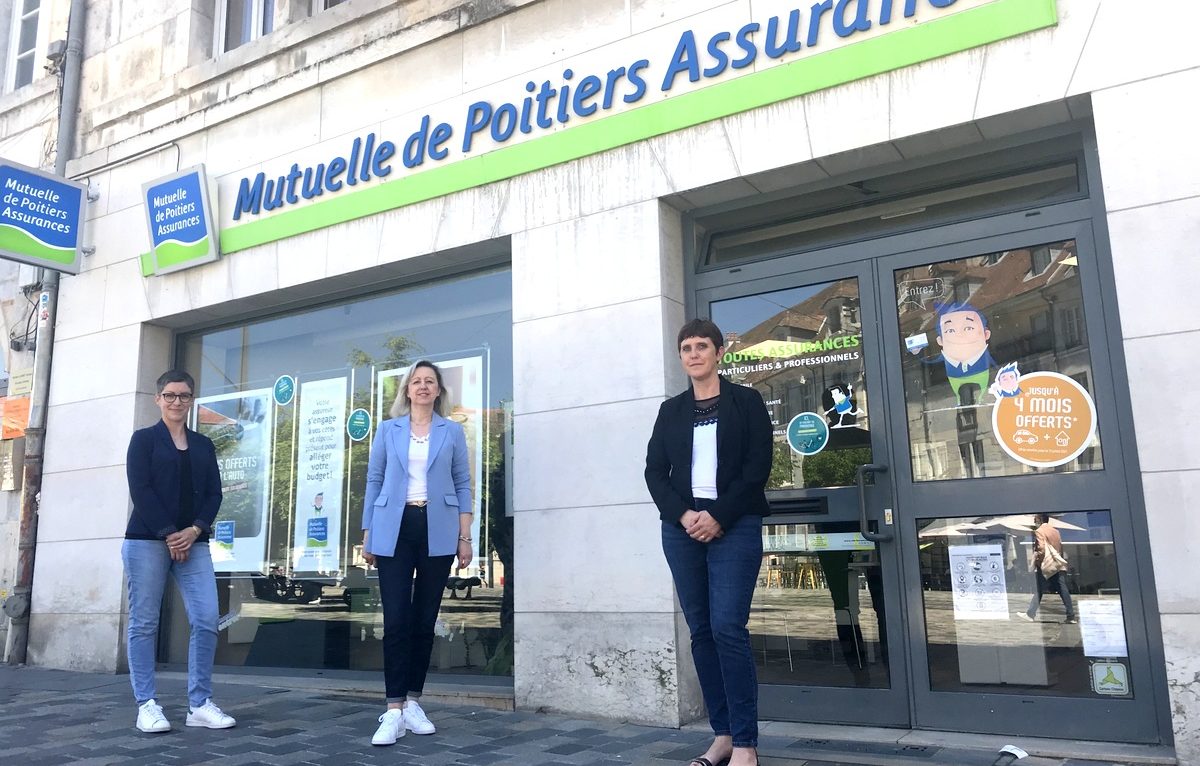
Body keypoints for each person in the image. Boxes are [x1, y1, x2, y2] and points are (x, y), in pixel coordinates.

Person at [645, 319, 772, 766]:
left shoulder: (747, 402)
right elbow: (655, 473)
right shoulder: (671, 411)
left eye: (702, 346)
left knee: (727, 629)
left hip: (733, 525)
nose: (694, 353)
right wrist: (685, 515)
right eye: (686, 348)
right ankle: (722, 735)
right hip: (682, 529)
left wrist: (718, 516)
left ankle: (745, 744)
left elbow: (758, 468)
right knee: (700, 631)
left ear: (720, 352)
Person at [362, 360, 474, 746]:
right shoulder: (388, 429)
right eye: (416, 381)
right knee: (396, 620)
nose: (423, 387)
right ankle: (393, 708)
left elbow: (462, 482)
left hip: (438, 527)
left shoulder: (452, 432)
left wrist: (465, 536)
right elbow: (374, 479)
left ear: (439, 390)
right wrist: (368, 534)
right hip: (395, 527)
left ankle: (412, 701)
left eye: (430, 381)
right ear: (407, 391)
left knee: (424, 620)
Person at [123, 370, 235, 733]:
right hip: (147, 541)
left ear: (191, 400)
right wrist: (171, 535)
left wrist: (195, 529)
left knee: (206, 618)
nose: (176, 402)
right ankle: (147, 704)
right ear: (158, 399)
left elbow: (215, 493)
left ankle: (199, 704)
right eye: (170, 395)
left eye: (184, 396)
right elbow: (140, 490)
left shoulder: (204, 445)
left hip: (195, 541)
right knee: (144, 623)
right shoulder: (143, 440)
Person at [1024, 513, 1076, 623]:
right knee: (1063, 589)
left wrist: (1039, 562)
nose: (1034, 522)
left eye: (1035, 519)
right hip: (1056, 564)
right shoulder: (1056, 531)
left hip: (1046, 565)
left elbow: (1041, 548)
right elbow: (1060, 548)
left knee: (1039, 589)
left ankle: (1030, 614)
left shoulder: (1039, 531)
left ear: (1040, 519)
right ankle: (1071, 616)